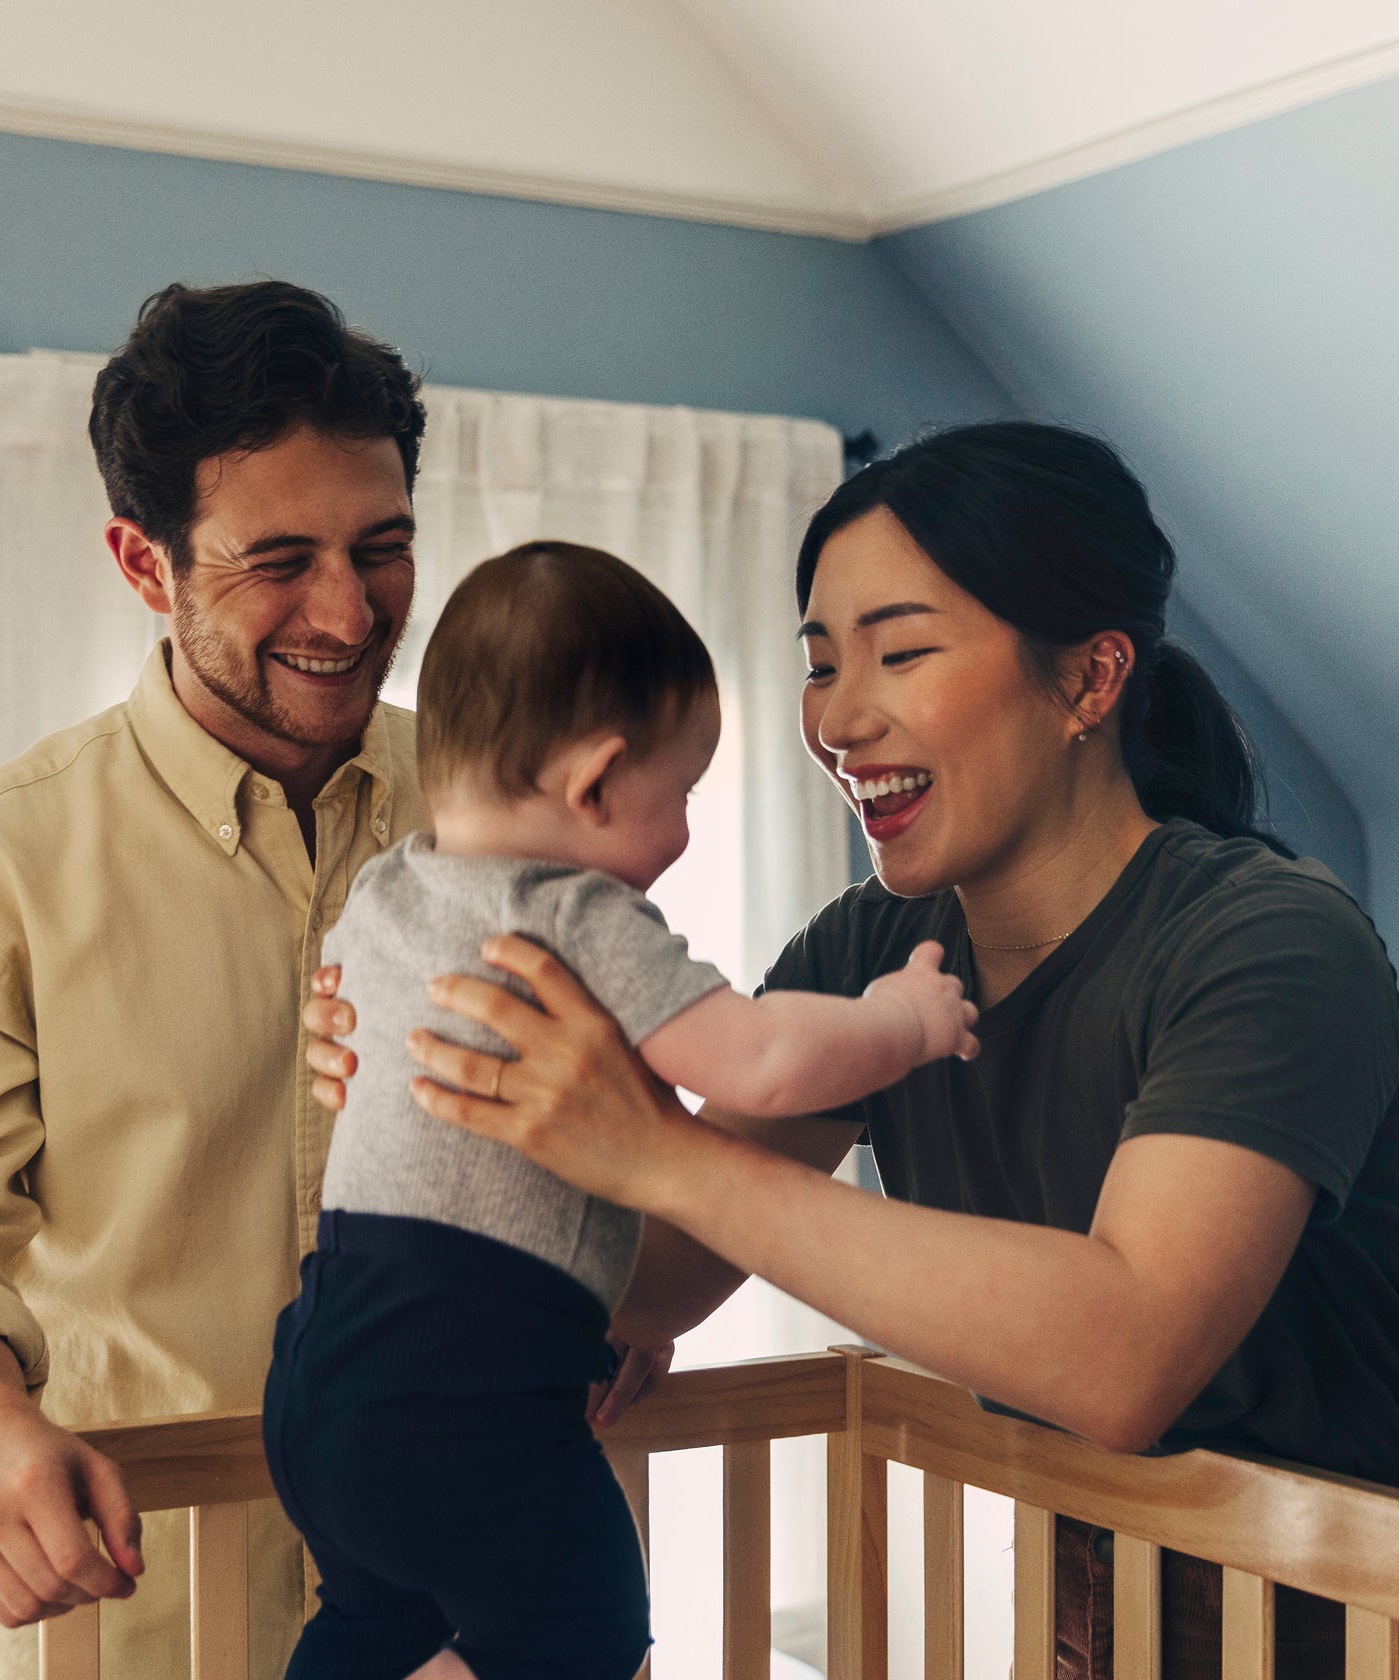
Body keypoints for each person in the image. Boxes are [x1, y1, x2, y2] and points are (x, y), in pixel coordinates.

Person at [305, 423, 1399, 1680]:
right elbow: (656, 1277)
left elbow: (1123, 1356)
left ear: (1088, 680)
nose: (837, 721)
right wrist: (450, 1089)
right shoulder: (875, 948)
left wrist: (653, 1152)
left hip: (1331, 1621)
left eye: (900, 652)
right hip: (1082, 1599)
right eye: (817, 665)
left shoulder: (1267, 944)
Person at [0, 279, 428, 1680]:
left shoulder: (503, 800)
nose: (348, 610)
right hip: (129, 1628)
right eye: (278, 560)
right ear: (141, 562)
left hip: (454, 1606)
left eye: (384, 547)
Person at [264, 543, 977, 1680]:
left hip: (321, 1376)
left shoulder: (389, 890)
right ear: (594, 785)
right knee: (582, 1638)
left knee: (373, 1621)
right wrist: (902, 1019)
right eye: (678, 794)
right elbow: (762, 1066)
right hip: (468, 1382)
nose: (686, 830)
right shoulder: (573, 916)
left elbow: (343, 1057)